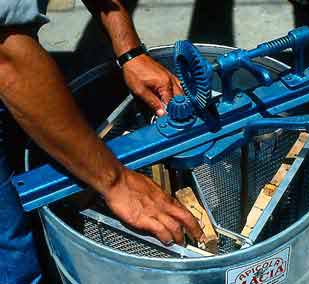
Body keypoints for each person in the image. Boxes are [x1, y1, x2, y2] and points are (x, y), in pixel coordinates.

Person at [0, 1, 204, 283]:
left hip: (18, 64)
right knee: (14, 248)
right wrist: (115, 181)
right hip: (10, 62)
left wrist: (130, 53)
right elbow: (7, 59)